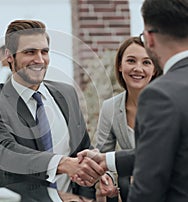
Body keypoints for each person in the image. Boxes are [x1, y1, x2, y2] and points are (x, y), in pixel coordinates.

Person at [0, 19, 105, 198]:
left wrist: (85, 196)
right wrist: (62, 163)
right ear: (9, 56)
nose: (40, 60)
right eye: (30, 52)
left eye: (44, 51)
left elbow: (82, 148)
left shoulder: (66, 93)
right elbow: (6, 153)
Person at [75, 0, 188, 201]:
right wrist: (105, 160)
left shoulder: (160, 94)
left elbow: (149, 183)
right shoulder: (113, 106)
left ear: (150, 39)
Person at [95, 36, 161, 201]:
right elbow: (103, 154)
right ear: (119, 65)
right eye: (131, 61)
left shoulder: (168, 105)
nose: (138, 68)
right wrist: (107, 179)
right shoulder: (110, 107)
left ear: (155, 69)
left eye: (146, 62)